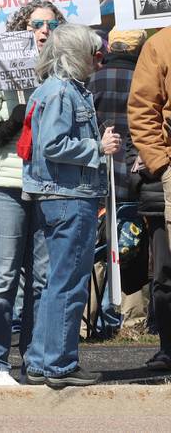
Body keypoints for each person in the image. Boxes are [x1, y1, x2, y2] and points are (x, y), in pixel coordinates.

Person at [0, 0, 65, 386]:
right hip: (7, 186)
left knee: (42, 278)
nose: (45, 31)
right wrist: (6, 130)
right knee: (4, 277)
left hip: (48, 187)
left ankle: (34, 359)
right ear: (22, 30)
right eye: (38, 25)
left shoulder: (60, 78)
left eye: (53, 26)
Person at [23, 23, 120, 387]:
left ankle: (40, 360)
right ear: (77, 53)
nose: (98, 55)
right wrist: (97, 147)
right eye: (92, 49)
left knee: (56, 283)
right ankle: (59, 363)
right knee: (69, 283)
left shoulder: (53, 89)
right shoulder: (64, 92)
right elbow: (52, 144)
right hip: (69, 196)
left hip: (56, 196)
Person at [87, 29, 150, 337]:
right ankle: (134, 323)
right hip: (134, 175)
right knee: (133, 245)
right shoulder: (145, 80)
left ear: (111, 46)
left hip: (98, 173)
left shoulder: (93, 80)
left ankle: (86, 321)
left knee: (95, 247)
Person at [128, 26, 171, 371]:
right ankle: (169, 348)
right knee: (167, 267)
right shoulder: (159, 45)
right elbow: (142, 110)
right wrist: (161, 164)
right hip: (169, 174)